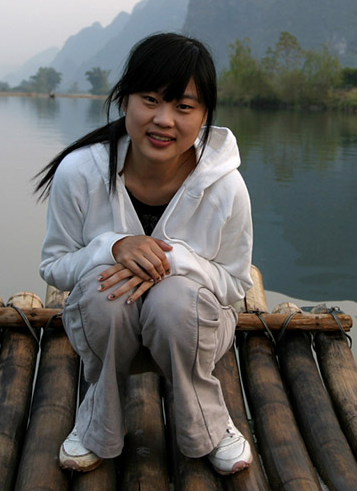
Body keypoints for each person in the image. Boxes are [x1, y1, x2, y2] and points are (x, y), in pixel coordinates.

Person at [34, 32, 254, 475]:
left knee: (175, 299)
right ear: (124, 100)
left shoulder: (226, 186)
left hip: (192, 333)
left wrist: (172, 263)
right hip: (107, 331)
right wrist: (111, 247)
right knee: (104, 292)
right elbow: (53, 266)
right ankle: (97, 422)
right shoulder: (80, 172)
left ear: (205, 114)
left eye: (183, 107)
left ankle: (210, 425)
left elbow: (235, 285)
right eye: (150, 100)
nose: (164, 119)